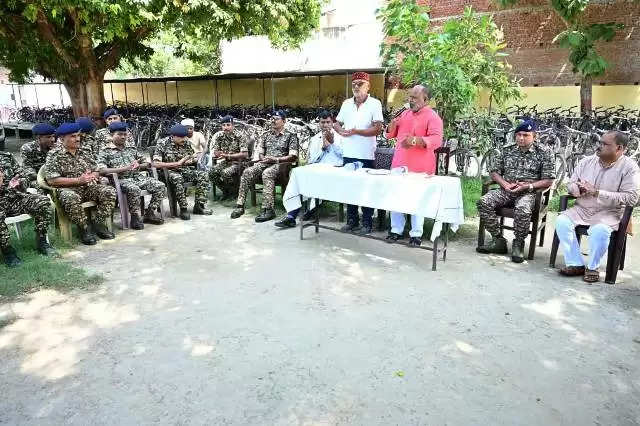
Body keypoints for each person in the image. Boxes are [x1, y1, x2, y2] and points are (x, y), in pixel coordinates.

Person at [555, 131, 640, 283]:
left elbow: (632, 198)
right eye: (599, 142)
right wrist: (577, 189)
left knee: (599, 230)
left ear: (619, 148)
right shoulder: (587, 161)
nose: (599, 146)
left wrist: (598, 193)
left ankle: (593, 268)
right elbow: (571, 183)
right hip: (582, 209)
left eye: (604, 144)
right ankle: (575, 264)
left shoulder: (630, 167)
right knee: (562, 221)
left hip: (609, 212)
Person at [476, 120, 555, 263]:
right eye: (518, 134)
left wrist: (528, 187)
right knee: (483, 201)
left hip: (530, 192)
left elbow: (548, 180)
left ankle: (518, 243)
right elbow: (494, 172)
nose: (521, 138)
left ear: (534, 136)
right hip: (507, 190)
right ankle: (498, 240)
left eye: (526, 135)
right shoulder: (507, 149)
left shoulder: (545, 152)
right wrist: (505, 184)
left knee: (523, 209)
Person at [384, 85, 443, 247]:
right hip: (399, 164)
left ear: (426, 100)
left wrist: (416, 141)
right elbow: (390, 134)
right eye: (410, 97)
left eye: (415, 98)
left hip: (420, 168)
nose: (411, 100)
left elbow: (437, 140)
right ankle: (396, 230)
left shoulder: (433, 117)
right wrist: (393, 124)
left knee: (418, 200)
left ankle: (416, 234)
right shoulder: (405, 114)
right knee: (395, 197)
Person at [44, 123, 117, 245]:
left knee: (109, 191)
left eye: (78, 135)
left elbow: (97, 169)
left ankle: (98, 224)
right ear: (62, 139)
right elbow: (52, 180)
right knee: (70, 197)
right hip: (68, 189)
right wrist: (78, 180)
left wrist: (93, 175)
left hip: (87, 187)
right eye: (73, 136)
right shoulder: (54, 155)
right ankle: (84, 228)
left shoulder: (85, 151)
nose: (77, 139)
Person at [333, 71, 384, 235]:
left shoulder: (375, 103)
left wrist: (357, 132)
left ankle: (367, 223)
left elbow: (378, 128)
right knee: (350, 188)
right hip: (348, 152)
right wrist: (341, 131)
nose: (356, 86)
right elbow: (337, 123)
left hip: (366, 154)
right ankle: (352, 221)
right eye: (354, 84)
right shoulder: (346, 103)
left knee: (365, 188)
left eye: (360, 83)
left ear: (368, 86)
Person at [274, 110, 343, 228]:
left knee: (317, 180)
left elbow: (343, 156)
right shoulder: (315, 139)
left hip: (334, 169)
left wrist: (332, 143)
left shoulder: (339, 137)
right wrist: (322, 148)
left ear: (332, 123)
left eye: (328, 122)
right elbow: (311, 159)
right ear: (319, 124)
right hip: (317, 168)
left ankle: (310, 210)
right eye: (322, 122)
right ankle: (291, 216)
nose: (325, 125)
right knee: (297, 174)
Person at [231, 110, 299, 222]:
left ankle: (268, 209)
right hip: (266, 162)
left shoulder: (291, 136)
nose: (273, 121)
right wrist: (263, 159)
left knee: (267, 173)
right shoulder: (266, 134)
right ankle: (240, 206)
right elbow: (261, 152)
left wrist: (276, 159)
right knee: (248, 171)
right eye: (272, 118)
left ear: (284, 121)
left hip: (281, 165)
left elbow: (293, 156)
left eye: (276, 119)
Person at [97, 122, 166, 230]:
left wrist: (139, 165)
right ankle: (135, 217)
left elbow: (147, 163)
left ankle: (150, 213)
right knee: (134, 189)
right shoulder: (105, 151)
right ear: (111, 135)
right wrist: (124, 169)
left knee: (160, 186)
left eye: (125, 134)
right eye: (119, 134)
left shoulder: (131, 148)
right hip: (120, 180)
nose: (123, 137)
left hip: (136, 177)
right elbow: (101, 170)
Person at [0, 151, 56, 267]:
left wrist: (19, 183)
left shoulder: (6, 156)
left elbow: (24, 178)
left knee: (43, 202)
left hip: (15, 198)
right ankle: (8, 252)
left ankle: (42, 241)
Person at [152, 124, 212, 220]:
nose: (184, 139)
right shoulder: (162, 143)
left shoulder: (186, 142)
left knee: (203, 175)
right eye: (181, 137)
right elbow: (156, 164)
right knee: (177, 178)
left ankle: (199, 206)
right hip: (168, 172)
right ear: (173, 136)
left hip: (184, 170)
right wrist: (176, 163)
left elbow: (192, 157)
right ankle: (183, 209)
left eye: (185, 137)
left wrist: (192, 160)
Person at [208, 115, 249, 200]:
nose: (225, 127)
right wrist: (217, 153)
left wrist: (228, 155)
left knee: (225, 173)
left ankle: (235, 191)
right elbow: (216, 151)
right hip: (226, 162)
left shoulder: (240, 136)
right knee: (211, 173)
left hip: (239, 163)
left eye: (228, 125)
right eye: (223, 125)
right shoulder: (219, 136)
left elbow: (244, 154)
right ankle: (226, 190)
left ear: (233, 125)